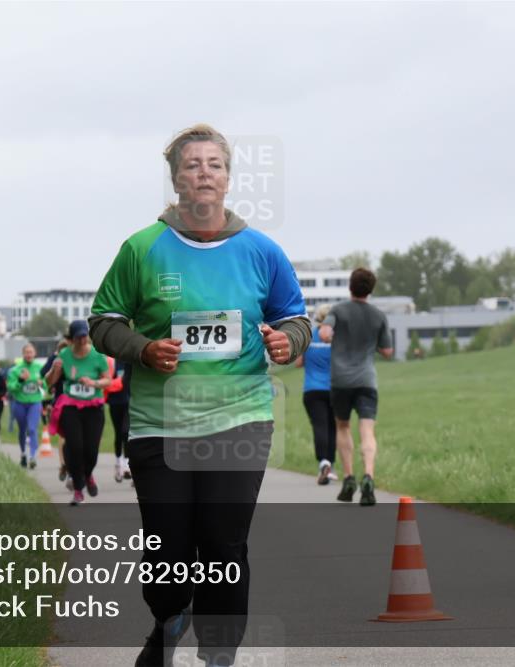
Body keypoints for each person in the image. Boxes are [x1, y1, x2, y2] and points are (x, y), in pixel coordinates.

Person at [89, 125, 309, 667]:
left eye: (214, 164)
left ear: (229, 178)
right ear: (176, 179)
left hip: (241, 418)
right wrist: (141, 348)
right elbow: (103, 322)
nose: (204, 173)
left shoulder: (262, 250)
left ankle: (218, 653)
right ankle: (168, 620)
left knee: (223, 545)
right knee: (168, 550)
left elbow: (295, 318)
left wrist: (288, 341)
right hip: (158, 422)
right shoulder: (142, 248)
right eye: (192, 165)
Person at [319, 268, 393, 506]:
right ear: (370, 289)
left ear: (351, 286)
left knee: (342, 427)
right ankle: (369, 477)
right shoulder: (379, 316)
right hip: (367, 380)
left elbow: (325, 333)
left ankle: (349, 478)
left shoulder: (338, 310)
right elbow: (387, 351)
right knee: (367, 431)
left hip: (341, 381)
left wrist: (329, 333)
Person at [44, 320, 110, 506]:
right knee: (74, 447)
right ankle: (78, 489)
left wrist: (94, 383)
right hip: (70, 407)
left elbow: (108, 381)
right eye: (78, 337)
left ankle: (88, 475)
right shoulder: (64, 355)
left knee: (91, 450)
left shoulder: (97, 355)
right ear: (71, 339)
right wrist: (54, 371)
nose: (82, 340)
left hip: (93, 407)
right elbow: (49, 383)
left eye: (84, 336)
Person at [298, 304, 337, 485]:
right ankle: (330, 464)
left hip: (312, 389)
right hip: (334, 389)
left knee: (319, 426)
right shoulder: (336, 339)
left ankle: (323, 463)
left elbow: (298, 362)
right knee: (333, 427)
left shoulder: (309, 336)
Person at [7, 344, 46, 468]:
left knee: (32, 429)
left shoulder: (40, 368)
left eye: (31, 352)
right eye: (26, 352)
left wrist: (42, 383)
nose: (29, 355)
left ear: (35, 354)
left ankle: (32, 456)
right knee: (22, 430)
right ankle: (23, 453)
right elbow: (11, 388)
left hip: (35, 402)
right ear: (23, 354)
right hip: (20, 403)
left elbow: (47, 384)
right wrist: (20, 380)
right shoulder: (15, 370)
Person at [42, 337, 71, 481]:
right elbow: (44, 376)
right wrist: (54, 367)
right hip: (60, 404)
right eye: (62, 352)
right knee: (63, 436)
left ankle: (69, 464)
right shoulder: (56, 362)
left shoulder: (78, 363)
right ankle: (64, 464)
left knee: (73, 438)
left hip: (79, 404)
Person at [105, 357, 133, 482]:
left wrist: (119, 382)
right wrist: (118, 382)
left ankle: (127, 465)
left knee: (125, 432)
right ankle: (118, 464)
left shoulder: (128, 361)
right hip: (114, 402)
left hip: (128, 402)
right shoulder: (110, 362)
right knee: (118, 433)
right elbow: (106, 382)